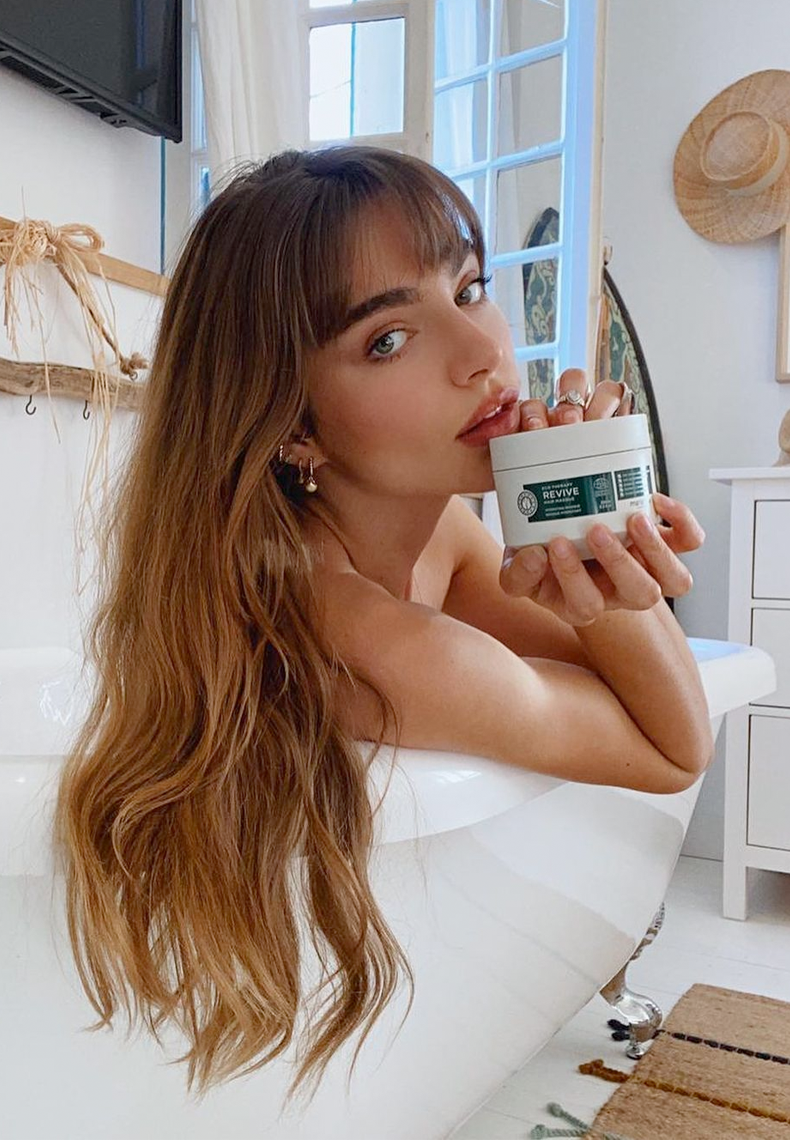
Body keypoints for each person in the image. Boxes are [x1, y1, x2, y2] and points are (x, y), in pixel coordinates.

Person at [52, 145, 712, 1104]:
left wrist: (588, 518)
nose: (482, 350)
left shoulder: (440, 534)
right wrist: (611, 572)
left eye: (469, 287)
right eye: (387, 340)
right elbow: (674, 748)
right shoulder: (364, 639)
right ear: (291, 423)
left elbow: (645, 705)